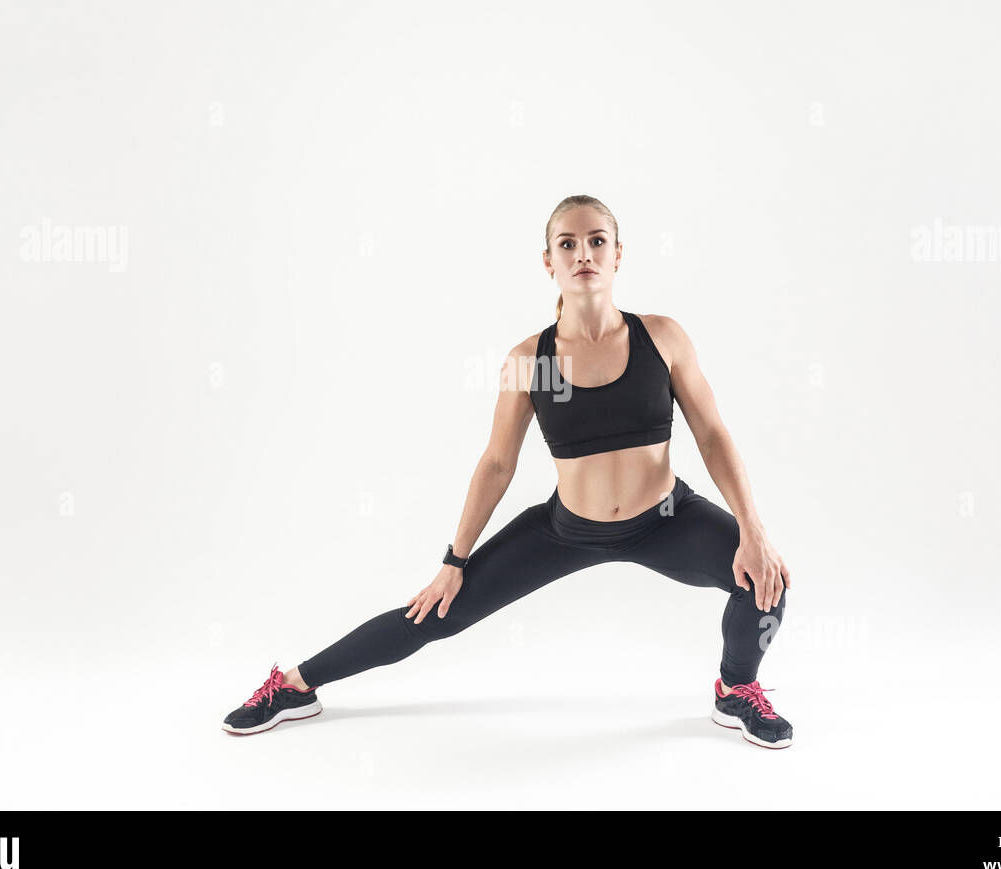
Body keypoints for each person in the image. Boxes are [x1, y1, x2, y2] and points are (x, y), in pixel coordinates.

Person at [221, 195, 795, 749]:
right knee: (433, 616)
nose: (584, 254)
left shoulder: (662, 338)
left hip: (667, 520)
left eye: (598, 241)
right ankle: (295, 685)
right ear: (550, 262)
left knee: (767, 585)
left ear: (619, 253)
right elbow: (498, 463)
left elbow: (713, 434)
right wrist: (454, 562)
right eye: (567, 244)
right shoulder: (530, 362)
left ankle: (735, 689)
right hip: (566, 530)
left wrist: (754, 529)